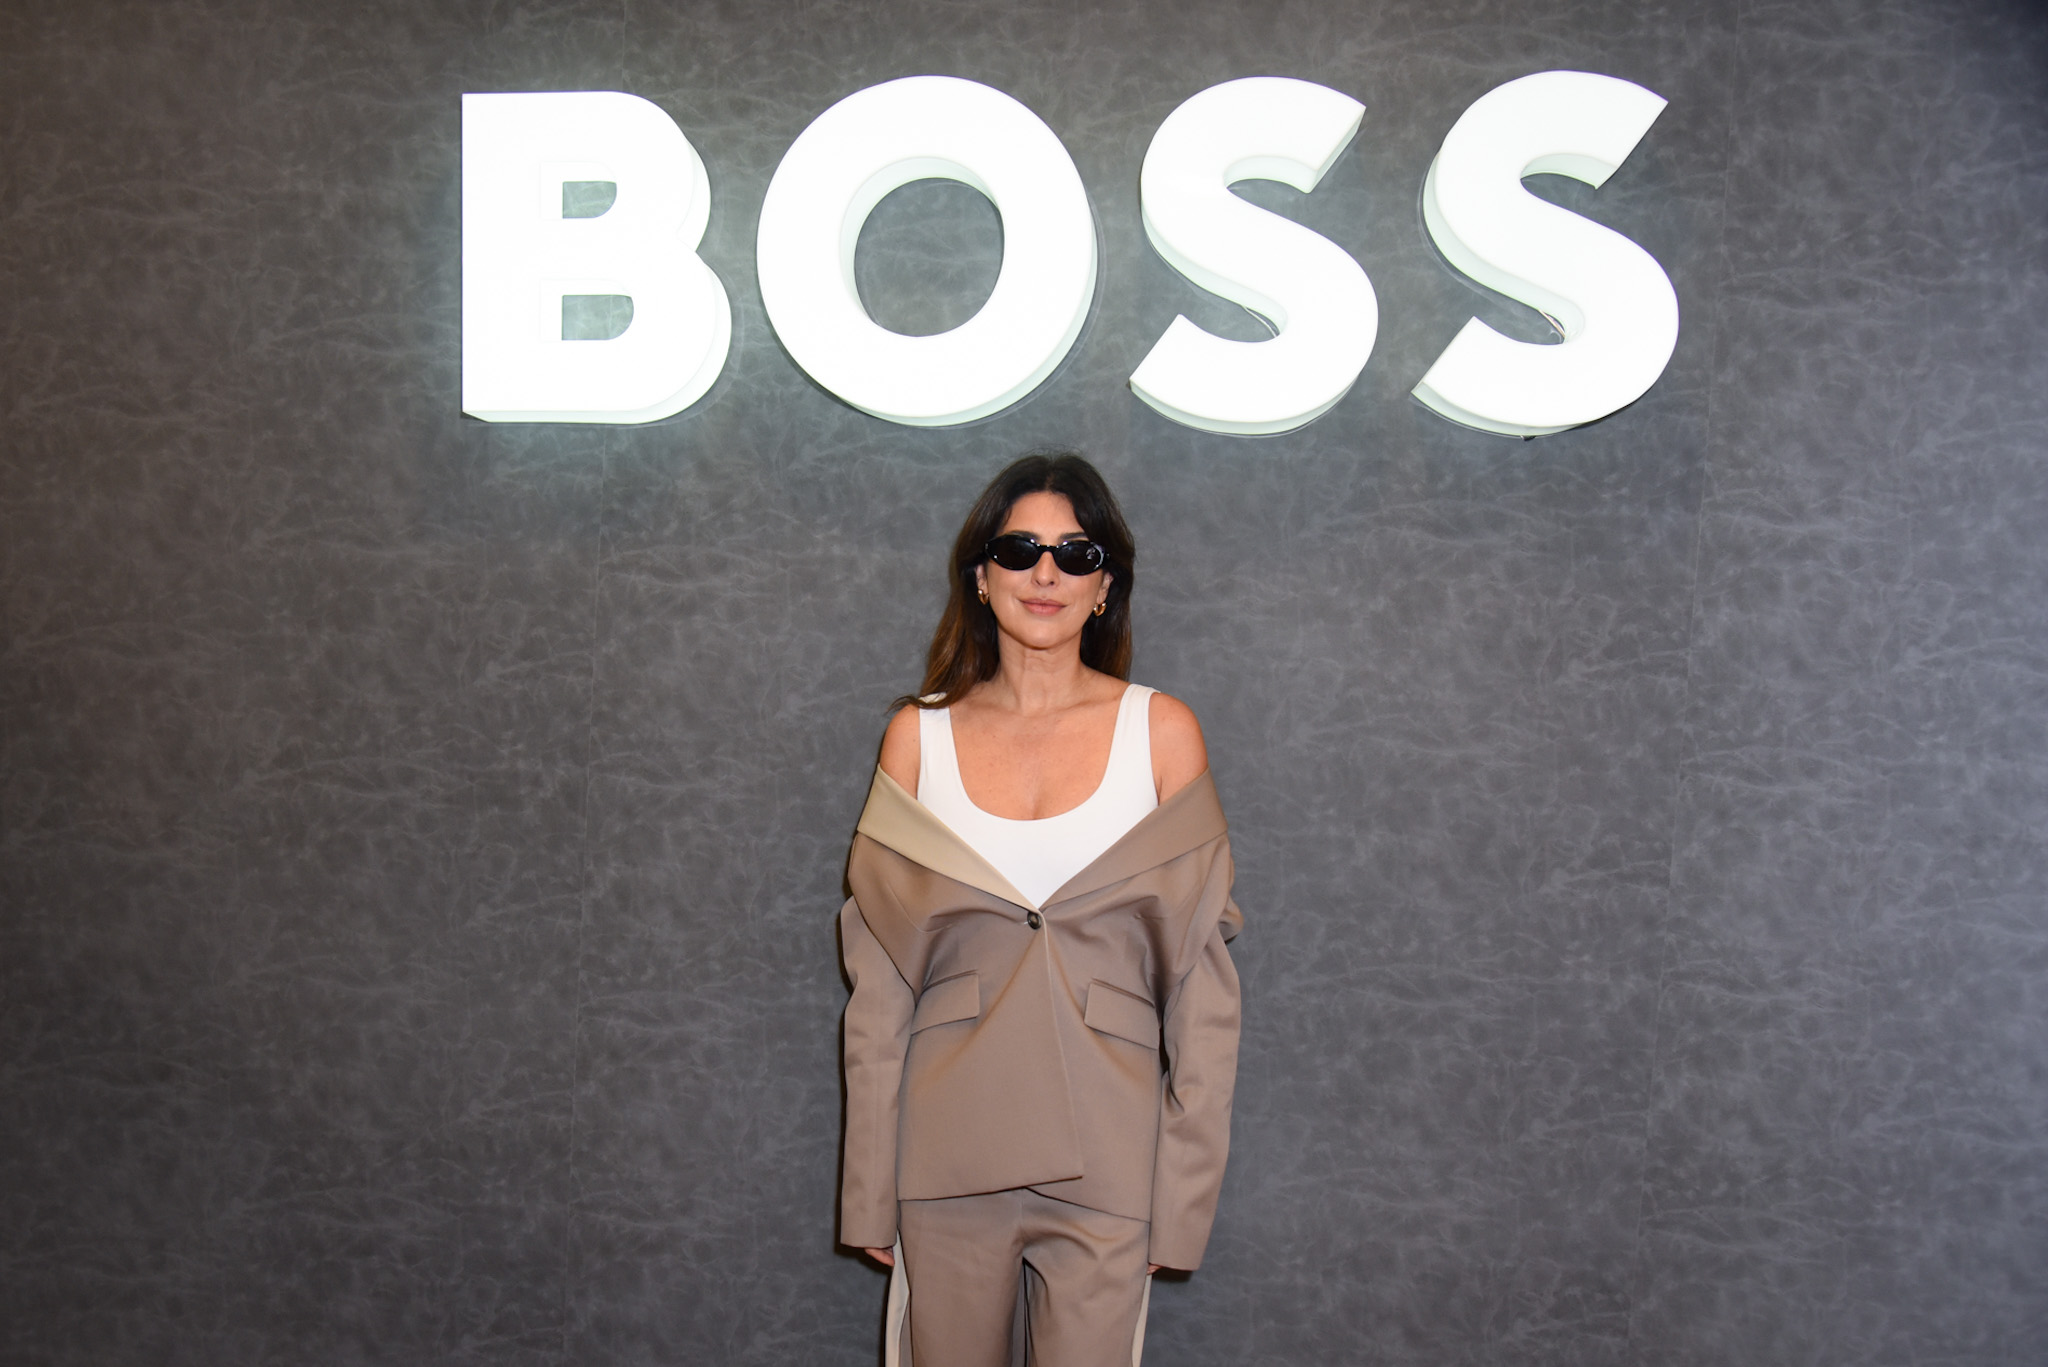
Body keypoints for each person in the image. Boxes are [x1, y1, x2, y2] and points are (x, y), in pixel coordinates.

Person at [837, 451, 1243, 1367]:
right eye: (1019, 549)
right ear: (981, 576)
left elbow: (1203, 993)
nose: (1046, 572)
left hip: (1111, 1155)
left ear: (1107, 584)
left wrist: (1181, 1197)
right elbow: (880, 990)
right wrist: (868, 1189)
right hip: (944, 1153)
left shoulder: (1163, 732)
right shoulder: (917, 736)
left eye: (1076, 551)